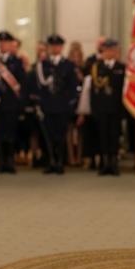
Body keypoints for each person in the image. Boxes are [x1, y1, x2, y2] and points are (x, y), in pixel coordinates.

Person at [33, 34, 79, 174]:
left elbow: (72, 87)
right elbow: (38, 87)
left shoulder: (68, 65)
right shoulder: (42, 65)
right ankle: (51, 161)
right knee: (48, 136)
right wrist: (39, 103)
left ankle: (60, 162)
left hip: (62, 106)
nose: (55, 48)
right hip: (47, 106)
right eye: (52, 46)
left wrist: (70, 104)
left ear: (61, 47)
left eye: (57, 46)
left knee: (61, 135)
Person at [89, 38, 126, 176]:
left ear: (116, 51)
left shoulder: (122, 68)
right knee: (103, 136)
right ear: (103, 51)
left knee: (114, 136)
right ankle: (104, 163)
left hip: (116, 108)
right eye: (107, 50)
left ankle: (114, 163)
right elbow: (93, 91)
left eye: (112, 50)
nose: (110, 53)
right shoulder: (96, 67)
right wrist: (94, 109)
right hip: (102, 108)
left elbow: (124, 90)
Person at [0, 30, 27, 173]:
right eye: (1, 42)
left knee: (10, 133)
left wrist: (21, 103)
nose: (2, 45)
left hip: (11, 103)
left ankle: (10, 161)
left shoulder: (17, 62)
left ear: (10, 44)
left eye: (5, 42)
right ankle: (1, 161)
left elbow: (22, 83)